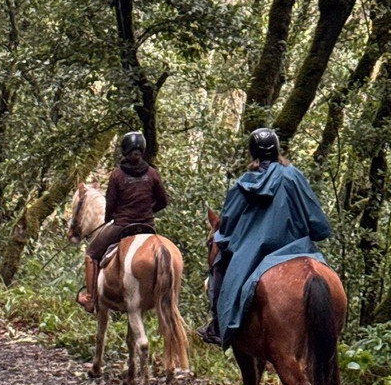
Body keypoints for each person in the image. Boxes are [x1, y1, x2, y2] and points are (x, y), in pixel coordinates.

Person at [197, 128, 332, 346]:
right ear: (278, 148)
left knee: (220, 267)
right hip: (296, 247)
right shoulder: (294, 176)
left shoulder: (244, 184)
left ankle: (219, 325)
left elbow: (228, 225)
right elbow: (317, 220)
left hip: (254, 253)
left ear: (253, 153)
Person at [76, 131, 170, 313]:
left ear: (124, 151)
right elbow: (163, 201)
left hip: (122, 226)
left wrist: (109, 219)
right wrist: (149, 211)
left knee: (91, 254)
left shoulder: (117, 175)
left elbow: (110, 204)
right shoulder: (152, 174)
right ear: (142, 150)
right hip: (147, 227)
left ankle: (90, 299)